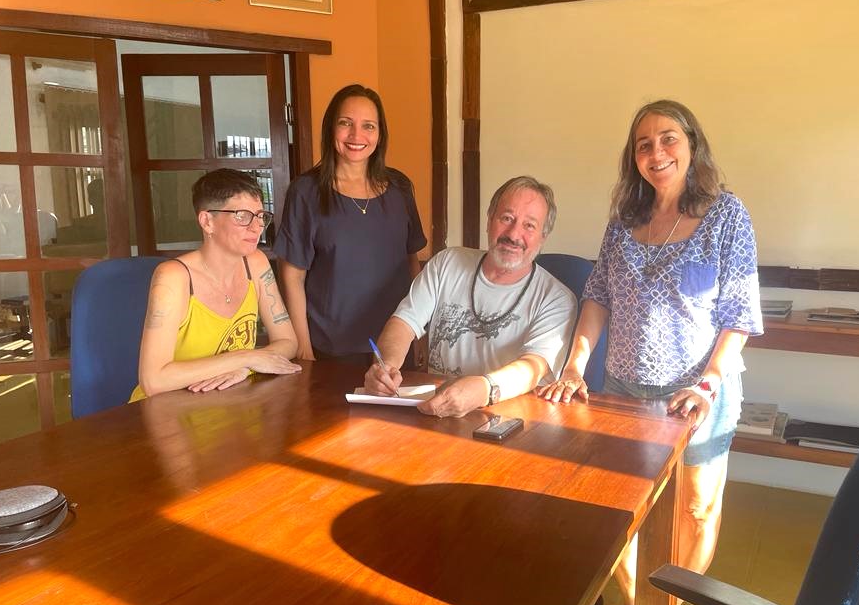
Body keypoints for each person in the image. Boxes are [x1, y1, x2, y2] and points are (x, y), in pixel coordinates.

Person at [537, 100, 763, 605]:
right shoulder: (624, 223)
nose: (656, 152)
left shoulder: (726, 215)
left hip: (699, 394)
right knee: (621, 508)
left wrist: (707, 383)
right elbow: (597, 296)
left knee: (695, 508)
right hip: (625, 390)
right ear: (633, 157)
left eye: (668, 139)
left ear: (692, 145)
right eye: (644, 144)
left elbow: (739, 314)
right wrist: (574, 365)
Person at [365, 176, 576, 418]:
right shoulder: (447, 263)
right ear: (489, 220)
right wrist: (386, 366)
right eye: (506, 218)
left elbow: (534, 366)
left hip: (510, 418)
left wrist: (484, 389)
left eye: (529, 225)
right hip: (435, 411)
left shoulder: (557, 299)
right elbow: (404, 322)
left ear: (543, 237)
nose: (514, 234)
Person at [275, 84, 427, 365]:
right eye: (346, 123)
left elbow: (411, 263)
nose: (357, 136)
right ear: (330, 129)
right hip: (330, 348)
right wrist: (303, 348)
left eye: (368, 126)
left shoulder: (400, 187)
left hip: (394, 345)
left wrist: (417, 335)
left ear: (380, 134)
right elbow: (292, 276)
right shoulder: (306, 192)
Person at [131, 169, 301, 400]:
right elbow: (153, 381)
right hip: (164, 409)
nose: (257, 227)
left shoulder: (256, 263)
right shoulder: (173, 277)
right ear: (207, 221)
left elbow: (288, 342)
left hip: (226, 401)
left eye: (260, 216)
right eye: (242, 216)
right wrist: (247, 357)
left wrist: (244, 368)